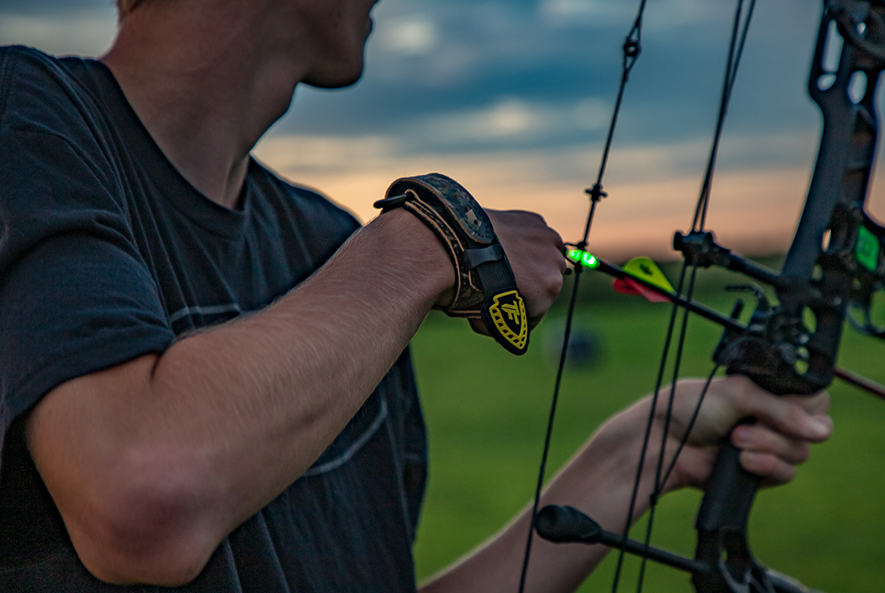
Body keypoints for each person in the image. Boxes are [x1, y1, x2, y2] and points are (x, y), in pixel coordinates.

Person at [0, 0, 833, 591]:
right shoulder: (25, 116)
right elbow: (142, 493)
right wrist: (430, 238)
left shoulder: (328, 247)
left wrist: (640, 452)